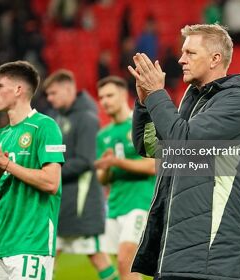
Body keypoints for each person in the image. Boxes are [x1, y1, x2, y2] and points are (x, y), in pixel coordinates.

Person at [128, 24, 240, 280]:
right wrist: (146, 102)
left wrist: (157, 94)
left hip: (215, 261)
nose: (181, 59)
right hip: (179, 253)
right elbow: (149, 147)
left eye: (190, 53)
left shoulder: (238, 103)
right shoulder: (194, 101)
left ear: (216, 59)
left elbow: (184, 144)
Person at [0, 60, 65, 280]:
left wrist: (7, 165)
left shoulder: (45, 127)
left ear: (18, 89)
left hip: (33, 242)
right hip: (1, 245)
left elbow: (52, 183)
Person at [43, 69, 119, 280]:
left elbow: (86, 161)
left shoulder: (86, 118)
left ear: (69, 89)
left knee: (95, 254)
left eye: (53, 93)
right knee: (47, 254)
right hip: (60, 199)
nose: (49, 98)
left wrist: (51, 172)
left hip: (80, 201)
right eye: (47, 94)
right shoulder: (55, 117)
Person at [95, 76, 156, 280]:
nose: (105, 101)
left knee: (125, 260)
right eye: (101, 97)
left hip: (140, 202)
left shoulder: (141, 124)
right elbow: (103, 180)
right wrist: (104, 168)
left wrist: (118, 163)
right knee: (125, 267)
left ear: (123, 95)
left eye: (110, 95)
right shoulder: (103, 135)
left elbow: (154, 165)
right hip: (115, 205)